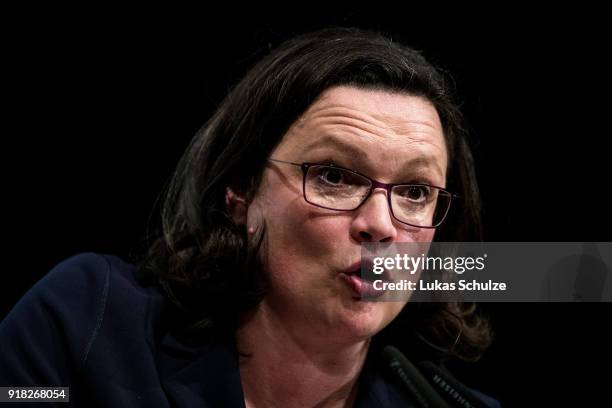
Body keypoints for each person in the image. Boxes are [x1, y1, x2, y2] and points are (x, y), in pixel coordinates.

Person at [0, 27, 500, 407]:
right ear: (238, 190)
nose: (382, 225)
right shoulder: (87, 320)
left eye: (415, 191)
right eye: (334, 176)